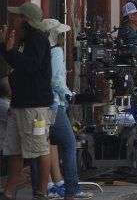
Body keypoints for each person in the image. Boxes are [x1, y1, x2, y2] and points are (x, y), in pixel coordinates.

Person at [0, 2, 54, 200]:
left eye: (17, 17)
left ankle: (41, 190)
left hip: (35, 106)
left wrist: (11, 51)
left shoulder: (38, 40)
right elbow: (15, 63)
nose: (13, 21)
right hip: (19, 104)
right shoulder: (23, 41)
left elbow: (29, 66)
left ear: (25, 20)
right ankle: (10, 189)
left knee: (40, 148)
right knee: (14, 149)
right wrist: (6, 48)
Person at [41, 19, 92, 200]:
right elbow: (56, 80)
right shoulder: (55, 52)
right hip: (55, 103)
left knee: (47, 144)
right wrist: (68, 94)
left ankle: (49, 185)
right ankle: (72, 188)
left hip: (42, 104)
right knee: (69, 144)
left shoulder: (40, 51)